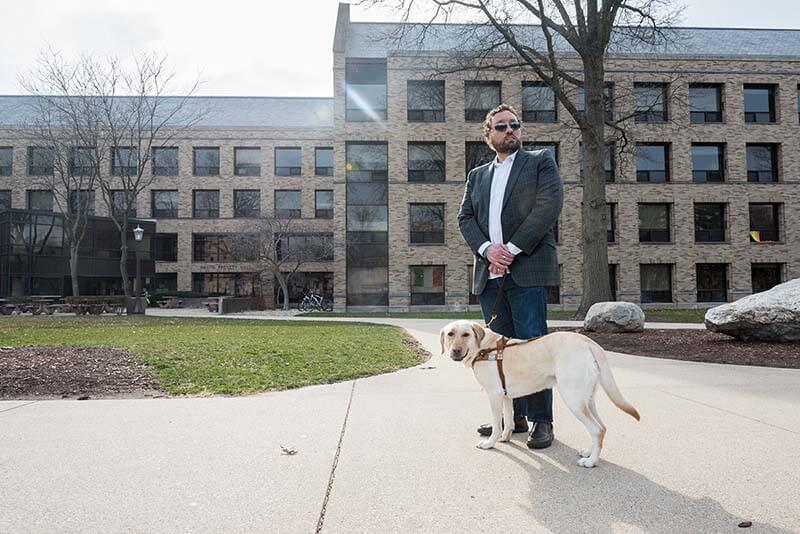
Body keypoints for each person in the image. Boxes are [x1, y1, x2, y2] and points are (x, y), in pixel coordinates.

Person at [457, 103, 564, 449]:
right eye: (501, 126)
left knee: (533, 346)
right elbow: (465, 219)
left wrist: (511, 249)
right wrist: (489, 250)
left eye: (514, 124)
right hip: (490, 276)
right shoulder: (477, 176)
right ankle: (510, 419)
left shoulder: (540, 162)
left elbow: (549, 205)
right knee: (498, 350)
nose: (510, 130)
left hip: (527, 269)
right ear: (488, 135)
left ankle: (541, 422)